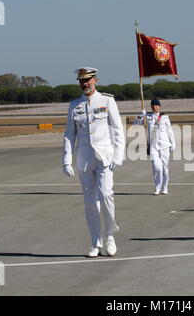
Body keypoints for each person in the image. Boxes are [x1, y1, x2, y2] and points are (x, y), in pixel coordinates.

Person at [62, 67, 125, 257]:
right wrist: (66, 160)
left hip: (105, 157)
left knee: (106, 196)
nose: (85, 84)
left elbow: (117, 129)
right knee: (90, 202)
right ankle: (95, 243)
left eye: (88, 80)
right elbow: (69, 135)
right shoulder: (74, 105)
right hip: (84, 160)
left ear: (95, 80)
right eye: (81, 81)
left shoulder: (107, 100)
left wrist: (118, 155)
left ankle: (110, 236)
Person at [138, 99, 175, 195]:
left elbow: (169, 130)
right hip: (153, 145)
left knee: (165, 167)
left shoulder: (164, 117)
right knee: (156, 167)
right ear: (151, 107)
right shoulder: (148, 116)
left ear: (160, 106)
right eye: (153, 105)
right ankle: (157, 187)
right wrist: (141, 115)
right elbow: (136, 123)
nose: (155, 107)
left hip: (164, 145)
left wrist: (173, 143)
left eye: (156, 105)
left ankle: (165, 187)